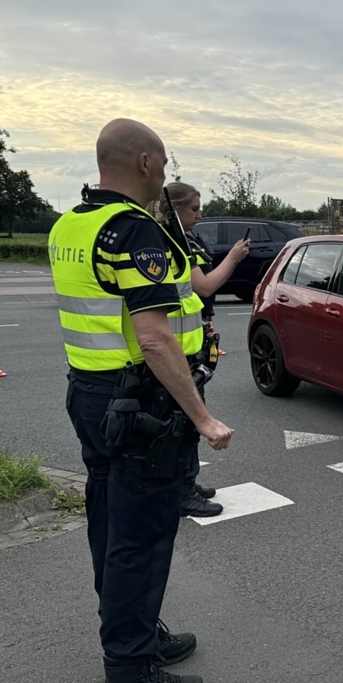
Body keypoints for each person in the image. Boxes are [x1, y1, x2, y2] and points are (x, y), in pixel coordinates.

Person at [50, 118, 233, 683]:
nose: (166, 175)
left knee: (109, 519)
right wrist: (202, 417)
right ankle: (130, 664)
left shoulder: (71, 225)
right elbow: (153, 337)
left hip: (90, 391)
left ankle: (130, 629)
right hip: (142, 403)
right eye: (164, 163)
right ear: (147, 163)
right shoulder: (133, 230)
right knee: (144, 534)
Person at [154, 182, 249, 518]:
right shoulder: (169, 241)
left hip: (191, 339)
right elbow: (205, 284)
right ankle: (181, 490)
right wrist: (235, 258)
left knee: (189, 421)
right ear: (174, 208)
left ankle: (188, 481)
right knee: (184, 421)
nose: (200, 214)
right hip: (179, 346)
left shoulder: (181, 239)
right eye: (194, 208)